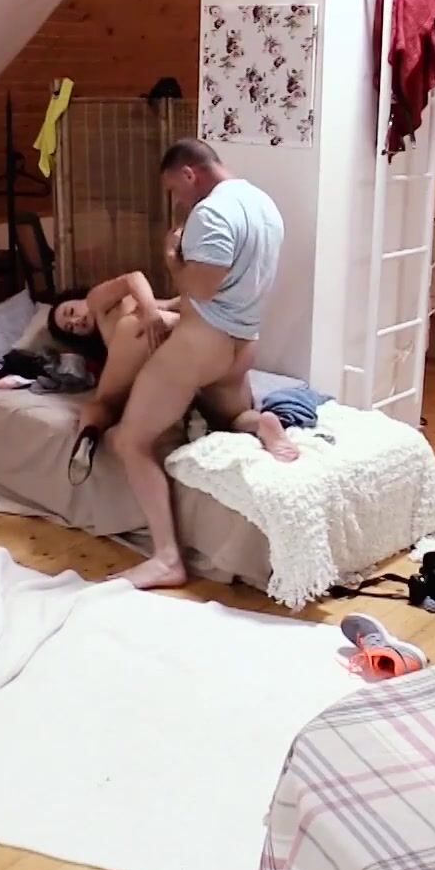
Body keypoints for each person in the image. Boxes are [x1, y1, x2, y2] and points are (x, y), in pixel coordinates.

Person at [107, 139, 291, 591]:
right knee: (229, 417)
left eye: (175, 189)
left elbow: (202, 288)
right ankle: (261, 424)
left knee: (130, 441)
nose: (177, 200)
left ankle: (166, 559)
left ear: (189, 173)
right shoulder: (263, 204)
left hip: (202, 343)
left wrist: (172, 258)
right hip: (243, 341)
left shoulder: (210, 213)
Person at [46, 272, 180, 432]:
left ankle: (87, 436)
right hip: (158, 357)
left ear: (79, 298)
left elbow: (134, 278)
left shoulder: (95, 300)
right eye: (70, 328)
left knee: (102, 403)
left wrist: (150, 312)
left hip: (150, 331)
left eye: (71, 311)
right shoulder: (105, 341)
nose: (75, 322)